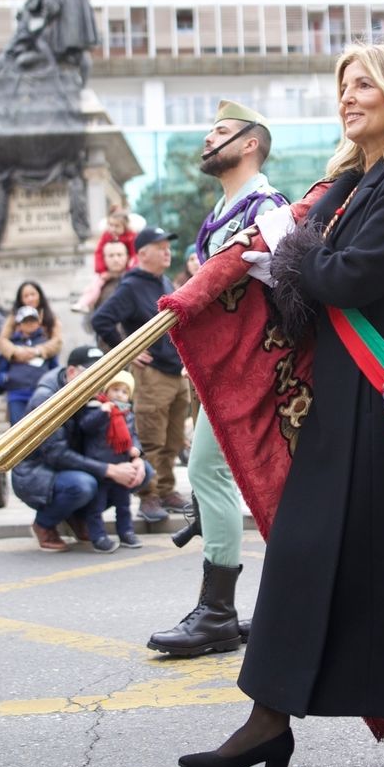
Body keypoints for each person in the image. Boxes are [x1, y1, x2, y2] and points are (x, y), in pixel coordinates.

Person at [179, 43, 384, 767]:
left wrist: (287, 251)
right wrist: (282, 252)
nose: (348, 97)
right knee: (302, 552)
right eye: (344, 87)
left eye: (363, 85)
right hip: (343, 401)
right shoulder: (352, 183)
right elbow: (303, 274)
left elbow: (348, 277)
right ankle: (268, 721)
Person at [150, 98, 287, 657]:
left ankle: (218, 612)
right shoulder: (224, 209)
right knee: (226, 475)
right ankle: (256, 608)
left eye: (222, 131)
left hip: (257, 366)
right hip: (225, 367)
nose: (209, 139)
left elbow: (290, 280)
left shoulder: (268, 205)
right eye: (209, 132)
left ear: (251, 143)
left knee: (211, 470)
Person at [91, 225, 192, 523]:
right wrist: (128, 350)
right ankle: (149, 496)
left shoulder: (164, 282)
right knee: (150, 439)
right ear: (143, 254)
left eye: (168, 246)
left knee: (174, 440)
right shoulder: (132, 286)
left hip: (175, 373)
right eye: (160, 247)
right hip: (152, 376)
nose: (167, 252)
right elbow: (101, 320)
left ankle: (166, 490)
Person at [11, 345, 150, 553]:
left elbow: (128, 431)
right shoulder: (47, 398)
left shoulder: (100, 396)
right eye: (92, 374)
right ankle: (44, 524)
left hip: (79, 461)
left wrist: (136, 457)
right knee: (84, 485)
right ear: (71, 372)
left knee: (142, 472)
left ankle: (78, 517)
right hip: (37, 471)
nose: (99, 380)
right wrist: (109, 470)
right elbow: (56, 455)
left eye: (103, 374)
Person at [75, 370, 144, 552]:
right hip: (101, 466)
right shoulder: (96, 408)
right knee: (96, 507)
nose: (119, 395)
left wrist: (136, 449)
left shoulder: (127, 414)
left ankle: (126, 532)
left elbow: (133, 435)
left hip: (122, 466)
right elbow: (85, 427)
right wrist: (102, 412)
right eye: (115, 389)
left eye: (124, 391)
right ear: (106, 391)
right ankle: (98, 536)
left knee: (124, 505)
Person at [0, 280, 63, 423]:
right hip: (17, 390)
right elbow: (2, 341)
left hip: (41, 385)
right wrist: (17, 352)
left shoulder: (51, 318)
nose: (30, 299)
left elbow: (57, 343)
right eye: (26, 296)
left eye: (33, 294)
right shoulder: (13, 320)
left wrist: (39, 351)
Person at [0, 304, 53, 424]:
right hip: (16, 393)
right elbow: (1, 368)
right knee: (18, 428)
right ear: (19, 324)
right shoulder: (10, 344)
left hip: (40, 393)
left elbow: (54, 367)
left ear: (38, 322)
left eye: (32, 320)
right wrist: (6, 380)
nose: (30, 324)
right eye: (26, 321)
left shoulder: (46, 343)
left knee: (41, 427)